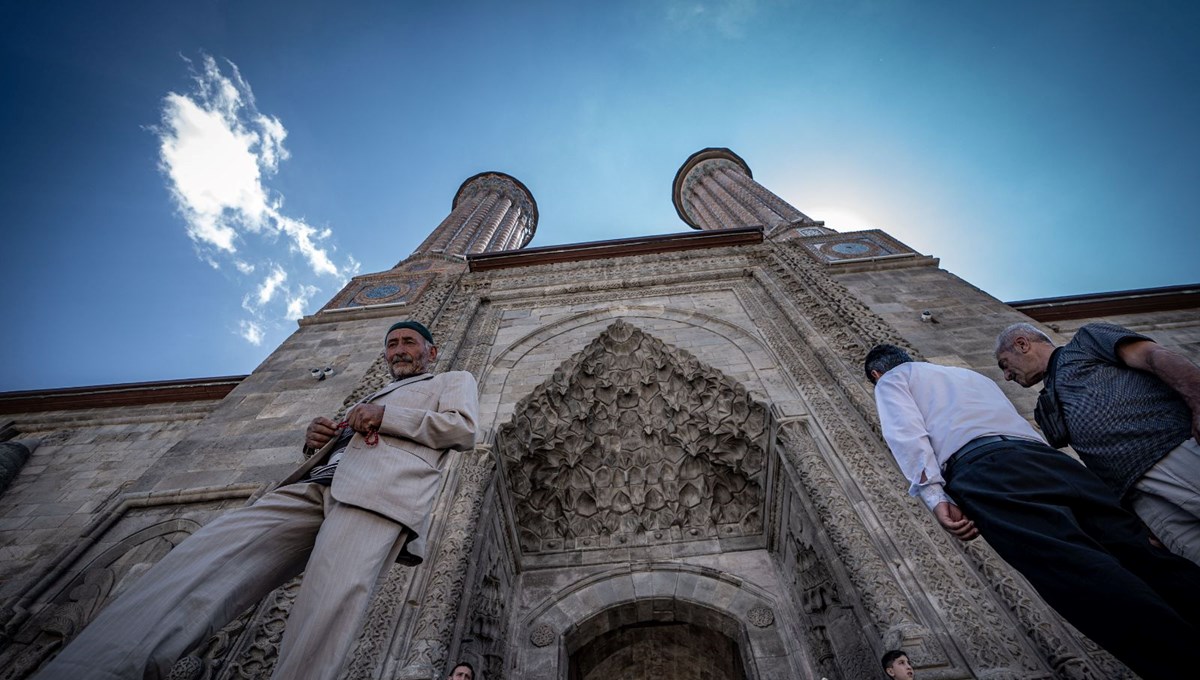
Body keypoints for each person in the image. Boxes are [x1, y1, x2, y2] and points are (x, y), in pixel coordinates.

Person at [35, 320, 479, 680]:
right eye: (392, 344)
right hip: (311, 486)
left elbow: (462, 430)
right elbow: (352, 438)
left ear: (430, 351)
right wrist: (316, 443)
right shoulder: (371, 392)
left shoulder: (452, 379)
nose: (399, 350)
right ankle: (97, 666)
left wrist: (389, 416)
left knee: (326, 608)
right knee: (209, 553)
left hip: (377, 495)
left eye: (409, 343)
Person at [865, 343, 1200, 680]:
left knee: (1077, 573)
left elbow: (906, 434)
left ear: (878, 374)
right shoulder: (968, 376)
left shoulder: (892, 381)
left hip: (987, 469)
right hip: (1053, 464)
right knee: (1144, 554)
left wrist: (935, 496)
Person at [994, 322, 1200, 565]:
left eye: (1004, 364)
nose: (1007, 376)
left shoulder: (1085, 341)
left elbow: (1155, 356)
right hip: (1137, 497)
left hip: (1172, 452)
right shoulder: (1045, 405)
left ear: (1022, 343)